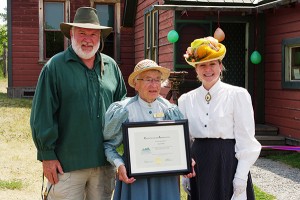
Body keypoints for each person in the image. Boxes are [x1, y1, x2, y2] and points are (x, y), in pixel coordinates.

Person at [30, 7, 127, 200]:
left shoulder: (111, 67)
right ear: (71, 34)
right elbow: (42, 114)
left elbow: (123, 109)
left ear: (100, 37)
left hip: (104, 164)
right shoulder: (55, 67)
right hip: (67, 165)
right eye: (82, 33)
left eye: (93, 34)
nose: (87, 39)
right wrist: (47, 155)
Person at [178, 36, 261, 200]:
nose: (207, 69)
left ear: (220, 66)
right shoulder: (186, 100)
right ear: (195, 68)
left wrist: (241, 176)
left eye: (212, 64)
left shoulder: (238, 95)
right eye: (202, 65)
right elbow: (184, 140)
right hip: (199, 163)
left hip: (227, 161)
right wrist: (184, 171)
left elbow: (246, 140)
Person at [103, 59, 195, 200]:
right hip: (135, 179)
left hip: (165, 180)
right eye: (148, 80)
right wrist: (119, 165)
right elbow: (109, 145)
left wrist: (186, 160)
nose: (154, 85)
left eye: (157, 80)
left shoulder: (170, 110)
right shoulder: (123, 110)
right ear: (136, 84)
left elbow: (180, 145)